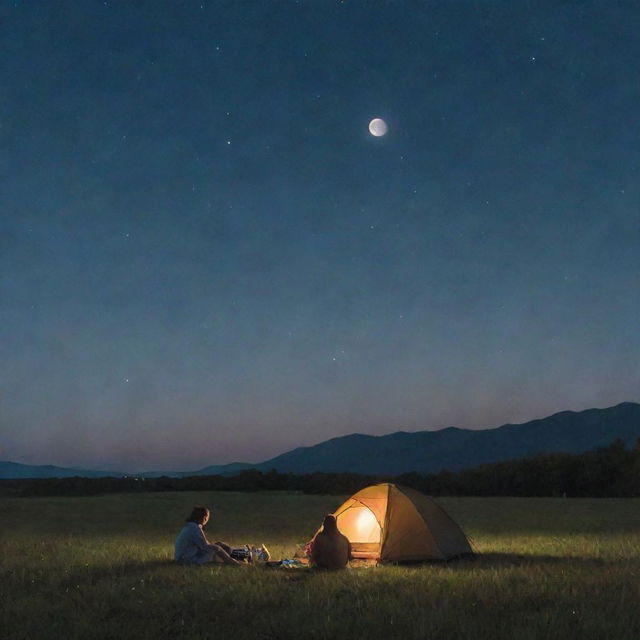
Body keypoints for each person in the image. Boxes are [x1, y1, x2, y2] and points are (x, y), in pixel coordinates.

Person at [174, 506, 244, 566]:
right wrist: (218, 549)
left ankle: (242, 554)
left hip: (185, 557)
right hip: (188, 560)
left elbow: (203, 544)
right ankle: (234, 562)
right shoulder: (195, 528)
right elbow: (205, 546)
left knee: (218, 544)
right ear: (204, 518)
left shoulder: (190, 526)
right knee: (216, 548)